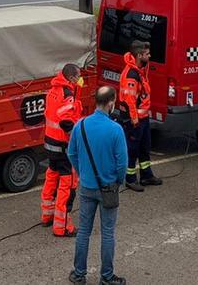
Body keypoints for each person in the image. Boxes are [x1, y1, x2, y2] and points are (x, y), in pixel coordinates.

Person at [68, 86, 128, 285]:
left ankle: (78, 275)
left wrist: (83, 172)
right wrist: (117, 181)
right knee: (108, 232)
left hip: (86, 187)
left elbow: (72, 154)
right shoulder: (115, 130)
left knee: (84, 231)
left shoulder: (80, 125)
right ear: (111, 103)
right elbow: (122, 164)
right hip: (108, 188)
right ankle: (107, 277)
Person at [42, 63, 84, 237]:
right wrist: (76, 137)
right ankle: (63, 226)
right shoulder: (67, 94)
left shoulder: (53, 90)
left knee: (52, 176)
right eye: (79, 76)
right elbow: (65, 121)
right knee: (67, 185)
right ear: (72, 77)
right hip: (62, 145)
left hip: (50, 142)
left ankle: (47, 215)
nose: (80, 78)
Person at [118, 40, 160, 192]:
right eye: (147, 54)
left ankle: (146, 175)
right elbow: (130, 101)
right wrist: (135, 120)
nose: (150, 56)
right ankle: (130, 179)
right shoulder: (132, 75)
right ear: (139, 55)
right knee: (132, 149)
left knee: (144, 147)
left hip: (142, 118)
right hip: (133, 119)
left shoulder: (139, 69)